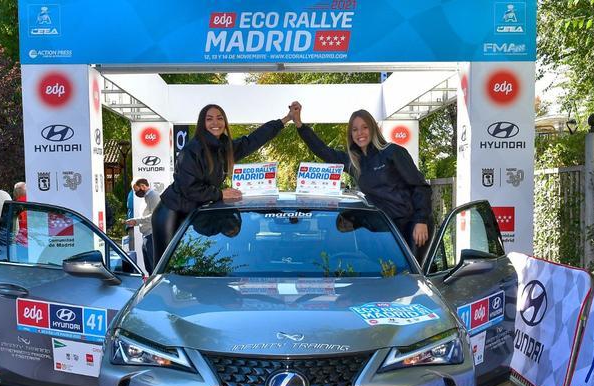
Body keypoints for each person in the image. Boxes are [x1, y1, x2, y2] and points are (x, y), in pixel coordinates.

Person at [151, 103, 295, 259]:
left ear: (225, 123)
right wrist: (220, 194)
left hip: (195, 211)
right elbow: (189, 189)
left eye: (220, 118)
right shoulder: (191, 150)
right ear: (202, 123)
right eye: (209, 119)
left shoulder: (225, 148)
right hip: (172, 212)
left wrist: (286, 119)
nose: (215, 123)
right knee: (165, 269)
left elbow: (253, 140)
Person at [291, 102, 433, 259]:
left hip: (413, 225)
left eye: (365, 127)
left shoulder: (392, 152)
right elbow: (323, 151)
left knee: (412, 278)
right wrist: (299, 124)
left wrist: (421, 220)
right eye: (355, 129)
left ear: (373, 128)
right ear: (351, 134)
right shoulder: (355, 163)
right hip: (387, 230)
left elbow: (420, 186)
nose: (360, 133)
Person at [125, 178, 160, 272]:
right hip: (146, 235)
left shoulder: (153, 196)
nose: (136, 193)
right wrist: (136, 222)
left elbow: (155, 216)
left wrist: (136, 221)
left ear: (143, 186)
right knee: (148, 266)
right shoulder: (147, 197)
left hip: (151, 235)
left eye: (136, 190)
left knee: (152, 267)